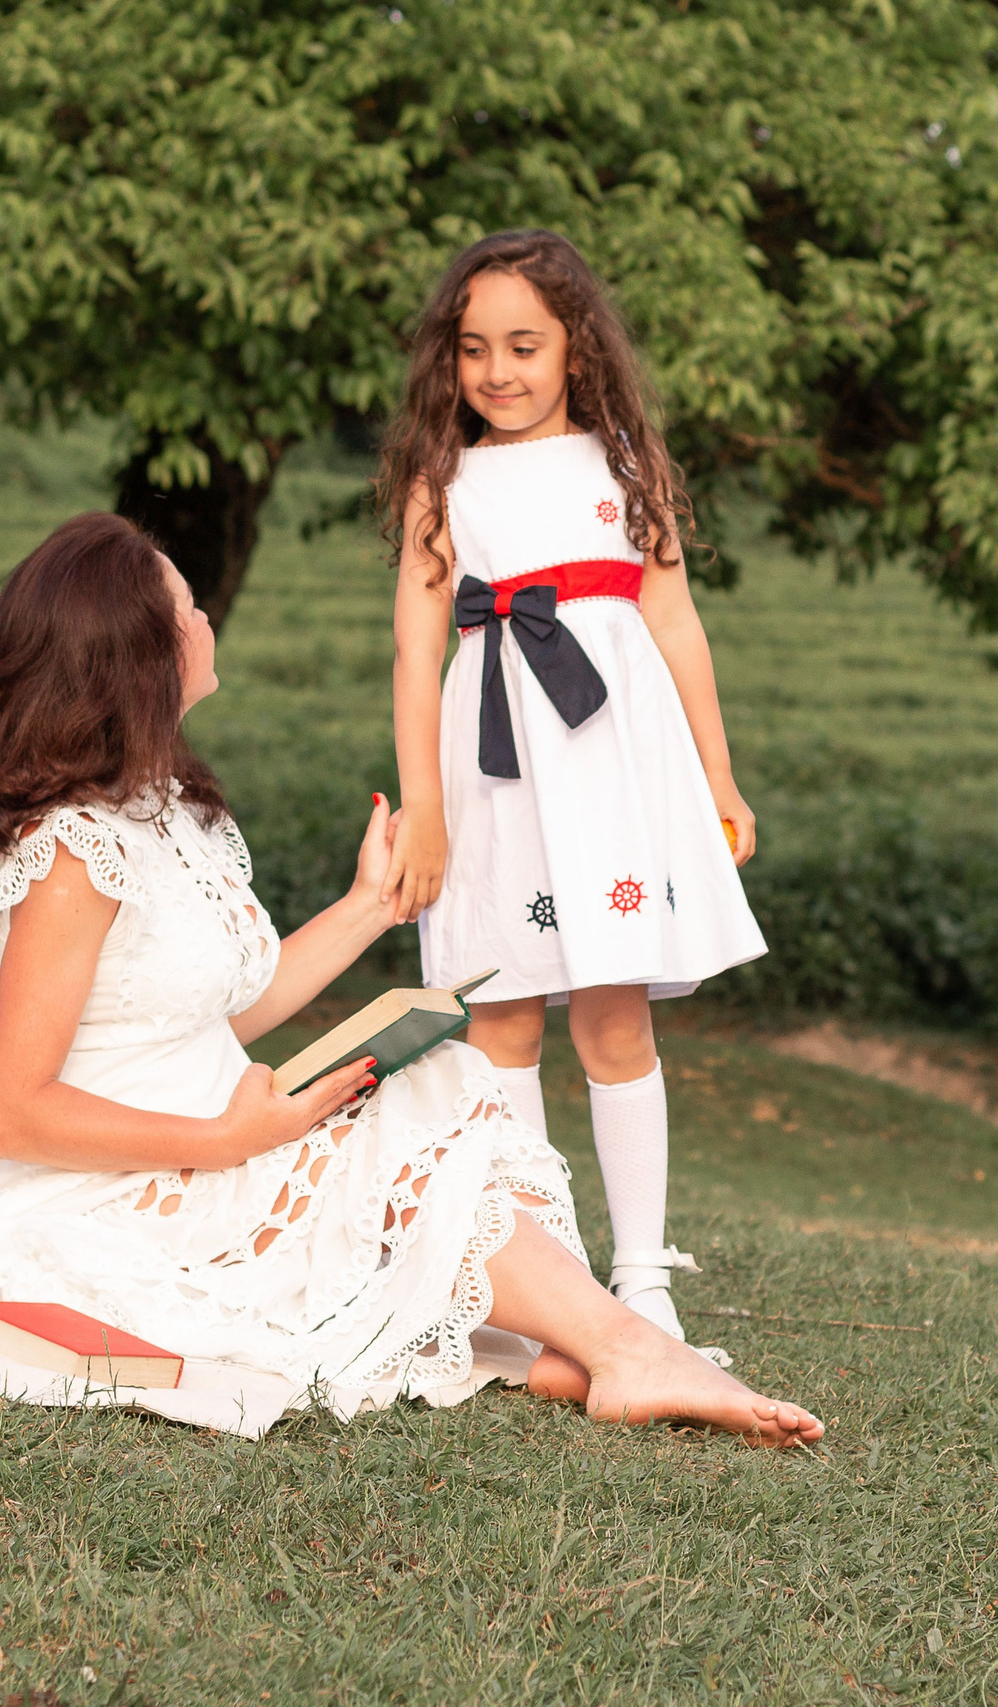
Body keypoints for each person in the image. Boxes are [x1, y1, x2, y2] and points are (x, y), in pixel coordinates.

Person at [0, 512, 820, 1446]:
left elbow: (219, 1009)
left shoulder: (165, 810)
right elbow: (13, 1114)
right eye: (188, 606)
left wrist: (370, 905)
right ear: (142, 656)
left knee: (430, 1085)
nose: (205, 617)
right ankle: (627, 1350)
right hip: (84, 1192)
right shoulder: (73, 851)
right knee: (388, 1137)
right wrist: (226, 1140)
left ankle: (577, 1340)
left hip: (212, 1137)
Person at [379, 230, 767, 1357]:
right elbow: (415, 654)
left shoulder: (625, 469)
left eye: (524, 346)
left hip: (609, 772)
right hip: (491, 774)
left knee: (611, 1008)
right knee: (500, 1010)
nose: (498, 372)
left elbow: (675, 622)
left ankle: (641, 1278)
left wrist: (718, 772)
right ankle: (541, 1280)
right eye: (473, 349)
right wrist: (426, 809)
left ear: (576, 351)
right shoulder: (441, 484)